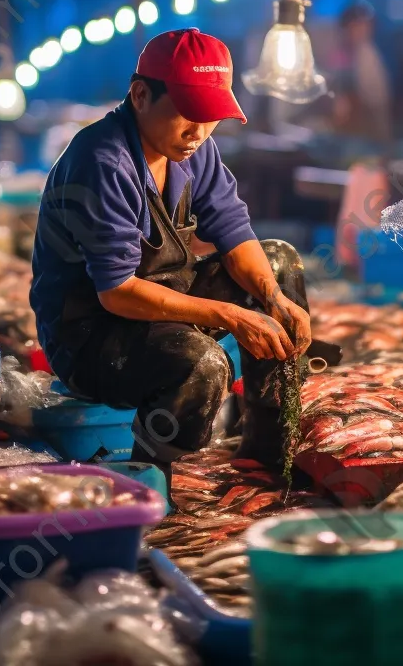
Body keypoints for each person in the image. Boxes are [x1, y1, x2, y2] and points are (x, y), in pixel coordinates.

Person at [30, 28, 314, 481]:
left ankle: (267, 443)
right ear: (140, 95)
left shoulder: (191, 147)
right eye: (187, 114)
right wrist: (229, 316)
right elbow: (118, 292)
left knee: (278, 264)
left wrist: (274, 298)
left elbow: (233, 230)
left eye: (210, 117)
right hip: (91, 336)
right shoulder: (103, 162)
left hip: (160, 304)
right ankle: (148, 471)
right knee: (203, 363)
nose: (199, 132)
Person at [330, 2, 392, 141]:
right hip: (347, 131)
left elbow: (379, 96)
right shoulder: (340, 53)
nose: (363, 30)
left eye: (366, 25)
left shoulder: (369, 53)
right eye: (357, 26)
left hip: (371, 126)